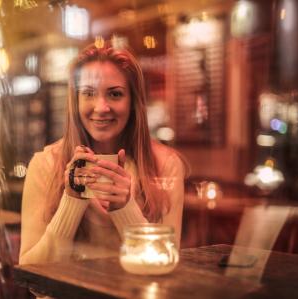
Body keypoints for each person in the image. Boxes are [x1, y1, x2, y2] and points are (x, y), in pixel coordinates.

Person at [19, 42, 187, 267]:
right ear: (75, 100)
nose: (101, 107)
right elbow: (31, 274)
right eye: (88, 93)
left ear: (133, 102)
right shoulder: (45, 164)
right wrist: (72, 201)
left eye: (115, 94)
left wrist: (125, 208)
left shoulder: (165, 164)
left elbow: (164, 265)